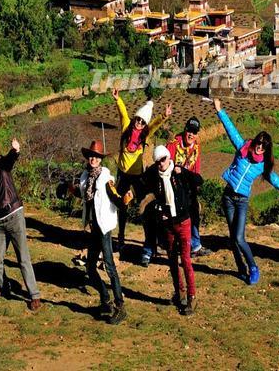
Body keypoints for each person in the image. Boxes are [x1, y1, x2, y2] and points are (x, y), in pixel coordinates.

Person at [212, 98, 279, 285]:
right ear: (255, 141)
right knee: (232, 238)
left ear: (267, 149)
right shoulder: (242, 148)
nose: (260, 146)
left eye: (264, 145)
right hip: (228, 197)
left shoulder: (263, 165)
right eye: (259, 142)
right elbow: (231, 129)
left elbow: (274, 179)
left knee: (239, 238)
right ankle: (241, 269)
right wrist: (220, 111)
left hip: (241, 201)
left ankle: (253, 267)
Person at [0, 138, 42, 311]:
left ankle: (34, 295)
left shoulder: (0, 165)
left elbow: (10, 159)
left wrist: (15, 150)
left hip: (14, 216)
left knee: (23, 258)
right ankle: (4, 288)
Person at [70, 139, 132, 325]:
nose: (93, 159)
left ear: (100, 159)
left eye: (96, 157)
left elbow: (115, 197)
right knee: (90, 267)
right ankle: (106, 300)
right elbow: (83, 195)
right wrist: (70, 189)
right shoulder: (84, 177)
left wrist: (124, 200)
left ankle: (120, 306)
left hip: (104, 226)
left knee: (109, 266)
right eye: (91, 156)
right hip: (93, 227)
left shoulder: (106, 178)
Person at [140, 145, 203, 315]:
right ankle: (179, 293)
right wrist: (159, 211)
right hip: (168, 224)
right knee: (172, 260)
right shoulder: (155, 177)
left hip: (183, 222)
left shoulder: (178, 173)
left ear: (169, 157)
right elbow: (148, 190)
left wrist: (184, 171)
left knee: (186, 260)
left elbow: (199, 181)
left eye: (163, 159)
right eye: (158, 161)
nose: (161, 163)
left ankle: (192, 297)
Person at [111, 88, 171, 256]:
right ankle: (121, 238)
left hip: (138, 176)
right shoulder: (126, 127)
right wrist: (118, 99)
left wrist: (164, 116)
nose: (139, 123)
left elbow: (154, 124)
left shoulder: (145, 134)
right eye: (138, 120)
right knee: (122, 205)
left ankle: (149, 243)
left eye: (143, 122)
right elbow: (123, 113)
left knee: (144, 205)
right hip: (123, 174)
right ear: (135, 118)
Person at [166, 117, 211, 258]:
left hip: (189, 187)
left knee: (194, 215)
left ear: (197, 134)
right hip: (173, 186)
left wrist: (195, 186)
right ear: (185, 130)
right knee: (175, 216)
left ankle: (195, 245)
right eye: (189, 131)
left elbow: (196, 168)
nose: (191, 134)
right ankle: (171, 244)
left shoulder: (197, 146)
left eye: (194, 132)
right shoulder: (173, 144)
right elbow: (165, 166)